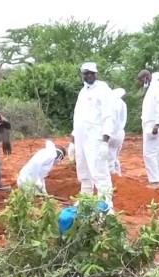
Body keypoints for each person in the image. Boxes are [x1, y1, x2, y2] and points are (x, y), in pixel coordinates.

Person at [67, 62, 115, 210]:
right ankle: (85, 202)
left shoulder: (103, 90)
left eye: (91, 73)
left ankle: (105, 206)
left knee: (99, 172)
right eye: (86, 73)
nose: (89, 76)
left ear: (96, 73)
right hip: (82, 138)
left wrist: (105, 141)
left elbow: (109, 116)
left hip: (96, 138)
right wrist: (73, 141)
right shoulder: (83, 92)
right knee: (83, 170)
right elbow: (78, 118)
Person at [138, 69, 159, 190]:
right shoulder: (153, 88)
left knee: (149, 154)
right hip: (152, 125)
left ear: (146, 78)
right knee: (157, 153)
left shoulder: (157, 89)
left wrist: (157, 124)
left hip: (154, 126)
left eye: (141, 80)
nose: (141, 83)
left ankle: (155, 181)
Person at [108, 88, 127, 177]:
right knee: (115, 155)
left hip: (112, 133)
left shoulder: (112, 104)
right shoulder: (123, 104)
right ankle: (118, 174)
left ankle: (112, 175)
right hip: (120, 132)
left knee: (110, 156)